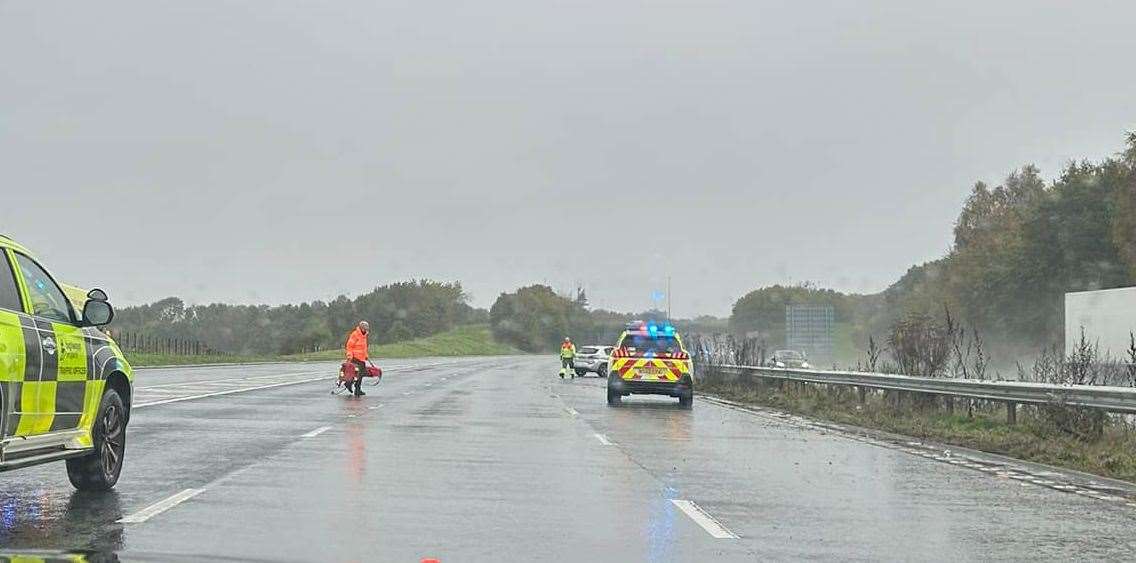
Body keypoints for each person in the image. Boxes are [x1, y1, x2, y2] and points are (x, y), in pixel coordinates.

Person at [344, 321, 370, 396]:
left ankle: (355, 387)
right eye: (366, 327)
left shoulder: (364, 335)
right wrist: (349, 355)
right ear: (362, 327)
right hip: (354, 357)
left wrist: (366, 355)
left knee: (360, 374)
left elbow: (363, 348)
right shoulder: (355, 334)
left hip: (361, 358)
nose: (367, 329)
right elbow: (349, 346)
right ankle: (353, 386)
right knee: (355, 373)